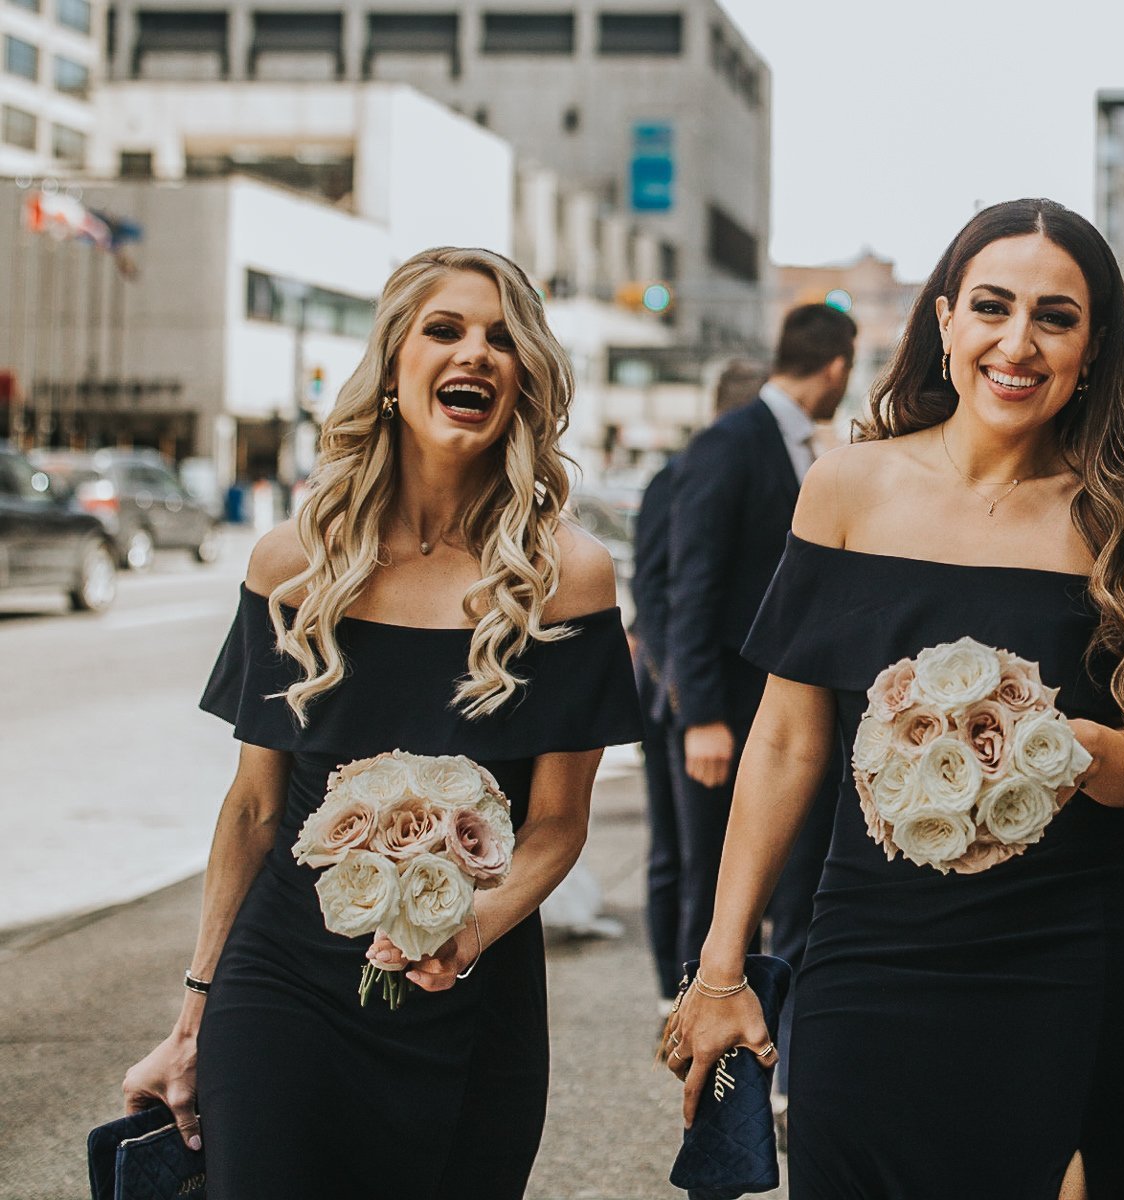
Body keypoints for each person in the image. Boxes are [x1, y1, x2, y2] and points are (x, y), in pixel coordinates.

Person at [665, 198, 1124, 1198]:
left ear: (1093, 348)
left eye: (1056, 317)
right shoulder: (846, 488)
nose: (1018, 342)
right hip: (874, 944)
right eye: (992, 306)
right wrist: (722, 967)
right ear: (944, 320)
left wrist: (1072, 746)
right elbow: (784, 742)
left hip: (1072, 948)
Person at [120, 247, 642, 1199]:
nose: (475, 353)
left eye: (502, 339)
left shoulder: (567, 577)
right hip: (281, 987)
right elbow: (253, 810)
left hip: (471, 993)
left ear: (524, 382)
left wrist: (467, 931)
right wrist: (192, 1016)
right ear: (394, 365)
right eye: (445, 330)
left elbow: (560, 821)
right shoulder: (292, 563)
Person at [664, 306, 854, 1082]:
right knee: (718, 897)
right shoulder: (731, 442)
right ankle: (706, 1067)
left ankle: (787, 1071)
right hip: (733, 717)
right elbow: (692, 585)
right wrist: (702, 716)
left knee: (802, 892)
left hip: (802, 715)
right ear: (838, 366)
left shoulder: (808, 449)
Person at [632, 358, 766, 1010]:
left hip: (687, 691)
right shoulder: (679, 478)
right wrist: (684, 698)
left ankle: (679, 993)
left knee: (688, 858)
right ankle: (674, 994)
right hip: (676, 695)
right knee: (683, 859)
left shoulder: (695, 472)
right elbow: (660, 597)